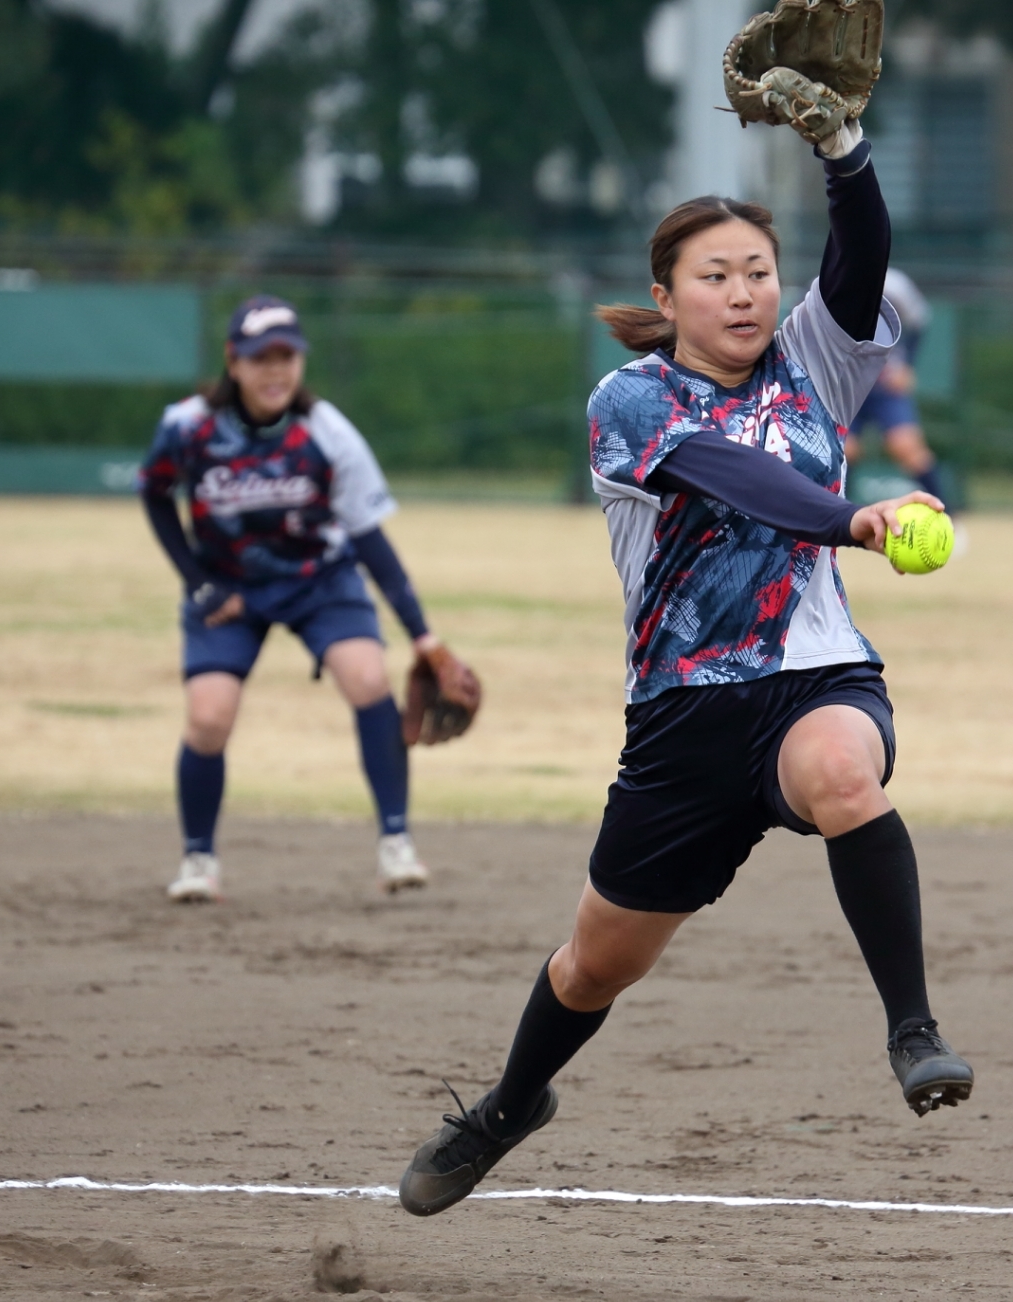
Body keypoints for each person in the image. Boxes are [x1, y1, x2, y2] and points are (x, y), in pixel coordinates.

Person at [395, 114, 974, 1218]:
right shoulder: (632, 402)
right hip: (682, 720)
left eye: (759, 270)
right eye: (716, 275)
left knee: (848, 777)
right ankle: (512, 1104)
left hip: (815, 678)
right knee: (594, 967)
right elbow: (734, 480)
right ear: (667, 298)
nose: (746, 292)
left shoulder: (816, 362)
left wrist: (844, 151)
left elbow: (862, 256)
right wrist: (857, 519)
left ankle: (914, 1031)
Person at [139, 295, 467, 902]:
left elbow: (370, 540)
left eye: (287, 356)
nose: (276, 371)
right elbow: (155, 492)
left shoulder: (327, 433)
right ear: (232, 362)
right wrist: (195, 580)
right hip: (228, 589)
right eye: (262, 357)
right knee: (208, 717)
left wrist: (422, 634)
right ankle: (198, 859)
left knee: (368, 678)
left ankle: (396, 843)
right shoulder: (188, 427)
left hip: (320, 580)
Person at [844, 266, 948, 506]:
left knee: (907, 448)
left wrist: (907, 365)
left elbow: (919, 321)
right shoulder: (828, 280)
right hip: (846, 389)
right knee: (844, 452)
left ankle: (947, 514)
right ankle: (836, 521)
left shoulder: (895, 284)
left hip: (886, 385)